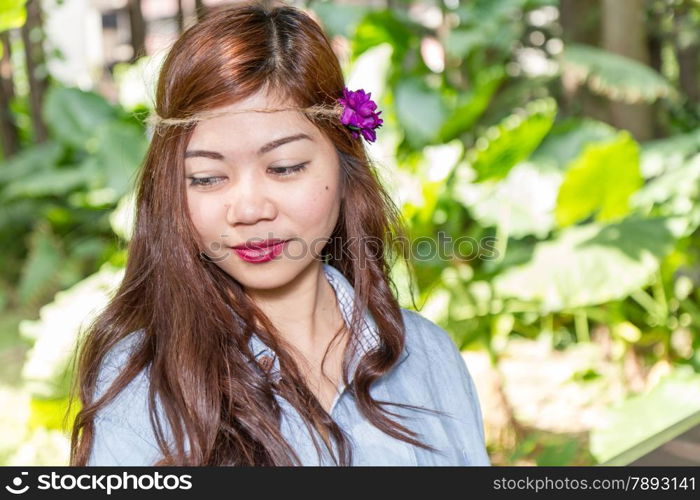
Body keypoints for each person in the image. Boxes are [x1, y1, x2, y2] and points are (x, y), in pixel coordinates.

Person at [69, 0, 490, 466]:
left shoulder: (428, 354)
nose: (249, 209)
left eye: (285, 167)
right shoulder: (142, 381)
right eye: (208, 177)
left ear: (344, 164)